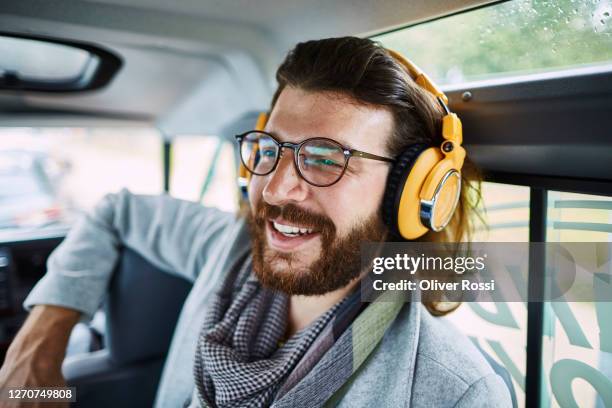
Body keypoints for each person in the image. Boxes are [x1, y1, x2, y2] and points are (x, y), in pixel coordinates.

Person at [0, 37, 511, 407]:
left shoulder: (455, 391)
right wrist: (41, 339)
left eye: (326, 159)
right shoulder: (227, 246)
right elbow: (117, 210)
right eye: (269, 150)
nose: (274, 187)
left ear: (410, 193)